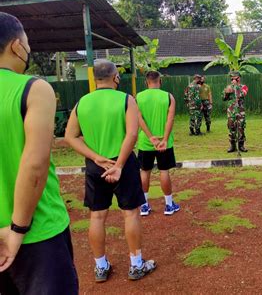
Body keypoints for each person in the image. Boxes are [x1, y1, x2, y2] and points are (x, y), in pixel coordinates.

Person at [0, 12, 78, 294]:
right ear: (16, 46)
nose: (29, 50)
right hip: (38, 234)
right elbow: (35, 165)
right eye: (27, 43)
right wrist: (17, 230)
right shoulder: (33, 88)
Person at [65, 59, 156, 282]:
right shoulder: (126, 100)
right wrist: (119, 165)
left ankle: (100, 267)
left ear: (95, 79)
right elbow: (132, 135)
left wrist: (96, 157)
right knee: (131, 213)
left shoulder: (82, 102)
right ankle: (136, 265)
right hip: (122, 165)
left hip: (96, 166)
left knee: (96, 217)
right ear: (116, 77)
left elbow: (70, 136)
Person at [136, 71, 180, 217]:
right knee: (164, 171)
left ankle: (144, 206)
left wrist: (150, 138)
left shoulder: (138, 97)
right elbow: (170, 119)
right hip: (164, 143)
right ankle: (168, 205)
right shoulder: (168, 97)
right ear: (160, 81)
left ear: (146, 82)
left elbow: (139, 119)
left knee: (144, 172)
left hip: (145, 142)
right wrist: (164, 139)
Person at [223, 71, 248, 152]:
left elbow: (242, 94)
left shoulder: (243, 87)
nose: (233, 80)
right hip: (231, 111)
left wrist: (235, 87)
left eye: (235, 78)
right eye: (232, 79)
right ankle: (232, 146)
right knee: (231, 128)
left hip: (240, 111)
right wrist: (226, 93)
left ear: (239, 78)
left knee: (241, 128)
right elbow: (223, 98)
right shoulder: (228, 87)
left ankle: (241, 146)